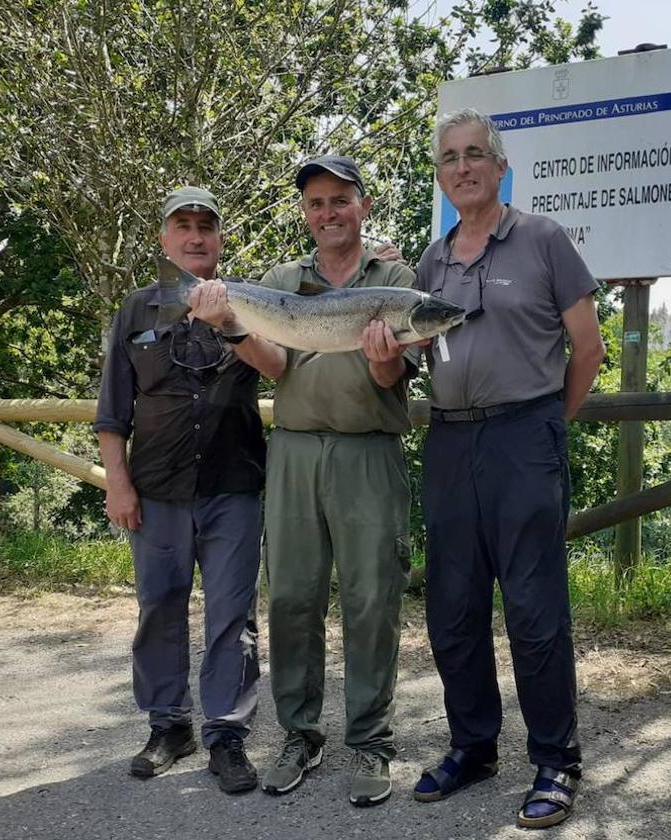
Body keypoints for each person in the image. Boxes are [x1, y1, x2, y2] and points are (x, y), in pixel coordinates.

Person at [411, 109, 606, 829]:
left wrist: (552, 422)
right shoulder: (432, 263)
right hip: (450, 443)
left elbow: (586, 348)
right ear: (441, 173)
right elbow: (409, 359)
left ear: (499, 167)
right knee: (453, 609)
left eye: (475, 155)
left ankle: (556, 759)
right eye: (450, 158)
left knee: (534, 611)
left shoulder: (543, 240)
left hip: (526, 436)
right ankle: (474, 746)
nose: (462, 167)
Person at [94, 186, 287, 794]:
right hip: (156, 490)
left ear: (220, 239)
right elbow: (111, 410)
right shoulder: (136, 309)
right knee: (159, 608)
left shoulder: (250, 302)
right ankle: (168, 726)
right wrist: (117, 485)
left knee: (233, 615)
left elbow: (281, 365)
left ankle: (227, 737)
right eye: (184, 225)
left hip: (234, 485)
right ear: (165, 238)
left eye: (207, 225)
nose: (196, 235)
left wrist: (230, 321)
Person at [256, 155, 418, 808]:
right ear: (306, 212)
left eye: (340, 200)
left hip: (368, 455)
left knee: (372, 601)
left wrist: (384, 360)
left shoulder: (397, 278)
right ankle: (300, 735)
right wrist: (232, 325)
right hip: (293, 452)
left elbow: (392, 379)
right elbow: (273, 366)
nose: (328, 213)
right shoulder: (280, 281)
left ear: (364, 205)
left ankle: (372, 742)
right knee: (291, 599)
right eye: (316, 202)